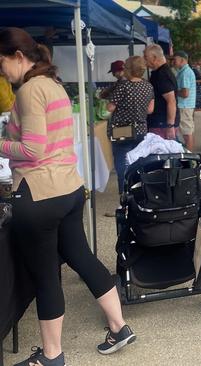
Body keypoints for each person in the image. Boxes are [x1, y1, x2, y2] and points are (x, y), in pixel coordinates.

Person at [0, 27, 135, 366]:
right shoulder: (54, 85)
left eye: (1, 62)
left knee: (46, 276)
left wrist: (1, 145)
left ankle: (51, 355)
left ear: (18, 57)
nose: (1, 70)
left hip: (40, 193)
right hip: (70, 188)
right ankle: (119, 327)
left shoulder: (30, 90)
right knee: (83, 257)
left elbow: (32, 148)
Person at [106, 55, 154, 200]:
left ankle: (125, 193)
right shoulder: (148, 86)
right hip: (141, 129)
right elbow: (150, 110)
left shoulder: (123, 86)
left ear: (128, 70)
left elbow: (110, 107)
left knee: (122, 163)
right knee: (139, 161)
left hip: (122, 130)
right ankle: (140, 191)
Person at [143, 44, 178, 141]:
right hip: (159, 123)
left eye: (146, 57)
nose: (143, 60)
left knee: (162, 154)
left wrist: (170, 125)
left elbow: (171, 101)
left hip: (162, 124)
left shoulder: (162, 75)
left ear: (154, 58)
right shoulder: (158, 73)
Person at [172, 50, 196, 151]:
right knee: (187, 132)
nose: (173, 62)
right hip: (185, 106)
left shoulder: (185, 73)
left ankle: (190, 156)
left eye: (175, 60)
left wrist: (173, 92)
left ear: (182, 60)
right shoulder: (184, 71)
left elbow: (185, 93)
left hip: (184, 106)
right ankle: (189, 155)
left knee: (186, 133)